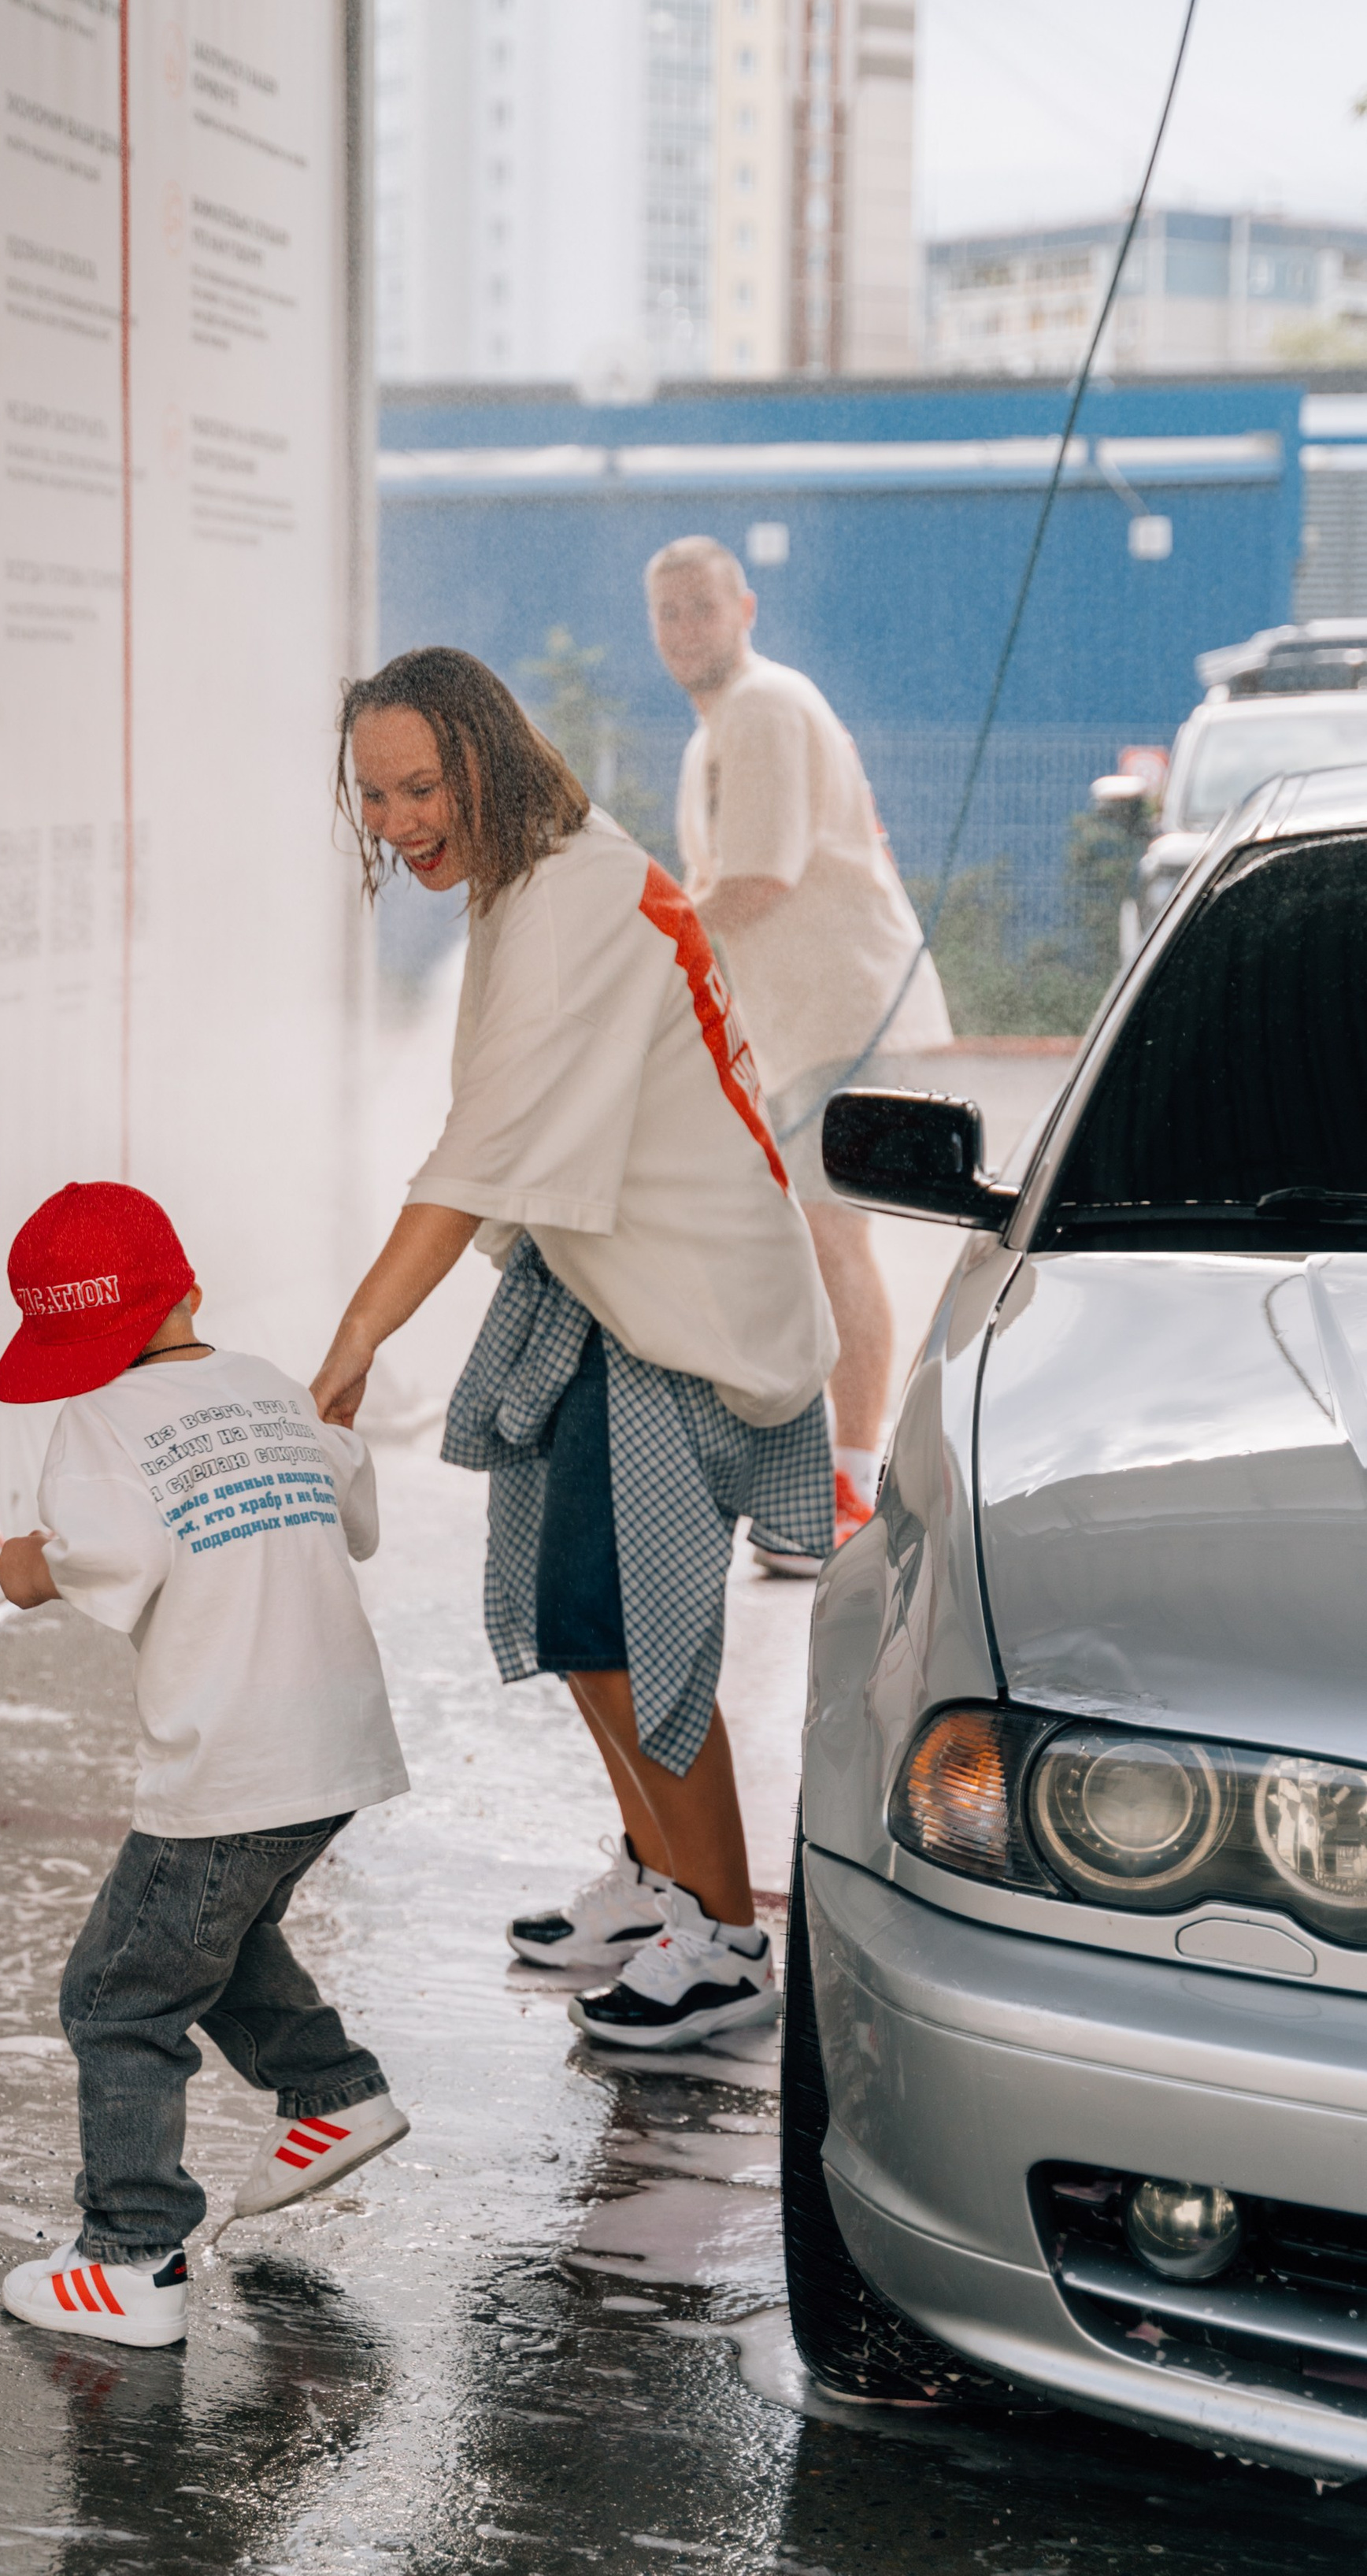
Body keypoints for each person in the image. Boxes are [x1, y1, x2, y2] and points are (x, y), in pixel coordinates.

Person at [311, 647, 837, 2056]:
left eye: (422, 785)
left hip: (688, 1316)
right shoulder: (539, 881)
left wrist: (356, 1336)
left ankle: (725, 1940)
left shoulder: (572, 903)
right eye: (374, 793)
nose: (400, 817)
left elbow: (478, 1155)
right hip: (613, 1295)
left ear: (488, 758)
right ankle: (664, 1883)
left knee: (625, 1635)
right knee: (571, 1621)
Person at [0, 1178, 410, 2348]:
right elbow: (351, 1500)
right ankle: (333, 2094)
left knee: (119, 1994)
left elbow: (109, 1556)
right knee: (206, 1940)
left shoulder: (99, 1426)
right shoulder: (271, 1388)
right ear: (187, 1289)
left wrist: (28, 1567)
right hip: (335, 1752)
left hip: (232, 1762)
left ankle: (130, 2258)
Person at [646, 537, 952, 1571]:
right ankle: (824, 1472)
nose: (687, 629)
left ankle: (852, 1492)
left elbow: (759, 882)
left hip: (845, 1014)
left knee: (830, 1246)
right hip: (802, 1024)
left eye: (702, 607)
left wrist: (637, 939)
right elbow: (723, 893)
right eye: (669, 614)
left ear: (747, 607)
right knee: (795, 1251)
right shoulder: (717, 732)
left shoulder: (766, 709)